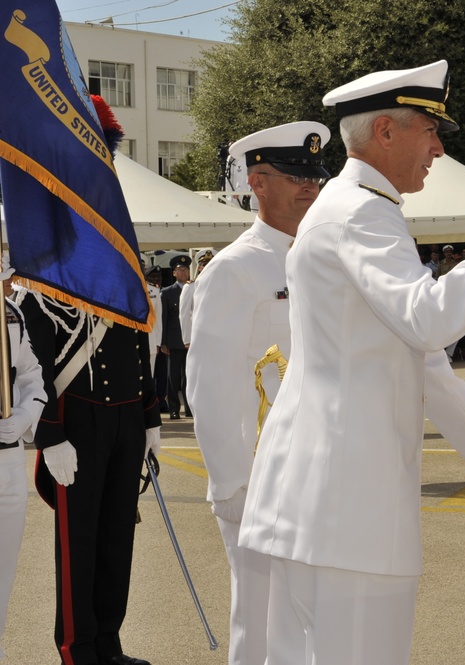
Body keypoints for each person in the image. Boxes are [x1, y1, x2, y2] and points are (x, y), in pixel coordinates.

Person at [238, 60, 465, 665]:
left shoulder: (350, 206)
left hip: (320, 506)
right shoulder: (361, 212)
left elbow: (418, 353)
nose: (438, 148)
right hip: (348, 514)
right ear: (385, 131)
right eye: (430, 130)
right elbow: (429, 319)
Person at [187, 121, 332, 665]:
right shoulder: (234, 267)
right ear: (258, 182)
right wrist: (232, 485)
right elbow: (209, 385)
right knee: (264, 623)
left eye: (314, 177)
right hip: (261, 481)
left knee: (317, 623)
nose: (309, 188)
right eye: (295, 176)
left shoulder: (320, 257)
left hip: (320, 472)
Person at [16, 285, 161, 665]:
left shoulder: (121, 278)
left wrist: (150, 417)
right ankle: (77, 650)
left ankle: (108, 644)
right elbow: (36, 367)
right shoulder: (46, 288)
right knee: (78, 544)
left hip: (127, 419)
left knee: (117, 540)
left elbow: (138, 350)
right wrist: (49, 435)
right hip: (78, 424)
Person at [0, 260, 47, 663]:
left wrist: (26, 416)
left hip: (8, 460)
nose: (7, 288)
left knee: (3, 568)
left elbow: (33, 377)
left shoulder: (11, 316)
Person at [160, 254, 192, 419]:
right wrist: (163, 342)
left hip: (191, 341)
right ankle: (174, 408)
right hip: (174, 340)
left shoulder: (195, 288)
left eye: (185, 269)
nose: (183, 272)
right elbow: (164, 318)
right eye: (180, 270)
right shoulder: (167, 292)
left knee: (189, 376)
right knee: (173, 377)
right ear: (173, 273)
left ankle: (189, 408)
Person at [179, 249, 214, 351]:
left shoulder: (221, 286)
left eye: (211, 264)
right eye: (205, 265)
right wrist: (187, 339)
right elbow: (184, 314)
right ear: (199, 267)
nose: (208, 267)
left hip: (218, 336)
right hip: (198, 335)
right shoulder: (190, 287)